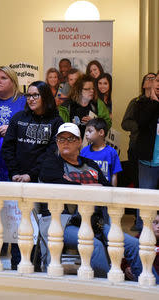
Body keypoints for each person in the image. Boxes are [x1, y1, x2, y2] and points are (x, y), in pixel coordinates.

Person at [39, 123, 158, 283]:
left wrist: (82, 186)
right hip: (63, 222)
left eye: (70, 138)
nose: (65, 142)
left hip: (95, 223)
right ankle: (107, 289)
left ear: (79, 142)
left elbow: (107, 188)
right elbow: (56, 183)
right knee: (94, 245)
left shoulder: (91, 164)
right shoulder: (51, 163)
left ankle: (152, 289)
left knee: (135, 245)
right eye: (61, 139)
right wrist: (86, 187)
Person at [1, 80, 63, 184]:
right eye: (28, 95)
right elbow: (8, 147)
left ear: (45, 96)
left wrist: (31, 175)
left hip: (42, 179)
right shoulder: (18, 117)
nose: (30, 99)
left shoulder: (56, 121)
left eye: (35, 95)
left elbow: (52, 153)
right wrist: (14, 172)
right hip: (15, 177)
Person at [121, 72, 156, 189]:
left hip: (154, 150)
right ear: (144, 84)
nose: (151, 80)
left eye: (154, 78)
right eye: (148, 78)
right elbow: (125, 123)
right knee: (138, 182)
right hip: (136, 146)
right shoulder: (136, 102)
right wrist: (140, 126)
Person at [80, 118, 122, 186]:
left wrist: (113, 192)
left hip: (105, 191)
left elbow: (114, 175)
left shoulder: (112, 152)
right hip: (88, 190)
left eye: (90, 131)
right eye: (86, 131)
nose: (86, 134)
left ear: (101, 132)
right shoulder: (84, 151)